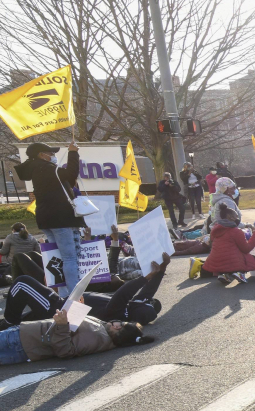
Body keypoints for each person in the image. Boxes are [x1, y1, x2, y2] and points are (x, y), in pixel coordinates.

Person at [3, 253, 169, 328]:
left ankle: (12, 324)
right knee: (30, 258)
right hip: (61, 304)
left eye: (146, 302)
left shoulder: (117, 312)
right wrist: (162, 269)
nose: (145, 298)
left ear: (137, 308)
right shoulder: (132, 310)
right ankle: (10, 323)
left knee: (22, 284)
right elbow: (147, 293)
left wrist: (145, 277)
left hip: (57, 311)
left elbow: (123, 293)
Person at [16, 142, 83, 296]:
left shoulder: (35, 170)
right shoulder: (46, 168)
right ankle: (75, 295)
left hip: (46, 219)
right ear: (41, 154)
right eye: (50, 153)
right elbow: (72, 173)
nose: (53, 156)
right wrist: (73, 153)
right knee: (69, 257)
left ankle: (63, 294)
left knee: (58, 258)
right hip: (61, 219)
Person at [0, 308, 153, 365]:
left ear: (119, 333)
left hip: (20, 341)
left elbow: (65, 350)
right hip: (23, 339)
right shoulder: (102, 331)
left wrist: (61, 325)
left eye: (120, 326)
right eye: (122, 322)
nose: (117, 323)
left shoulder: (98, 336)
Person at [199, 206, 255, 285]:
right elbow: (246, 249)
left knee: (230, 255)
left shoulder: (214, 230)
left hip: (215, 263)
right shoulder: (236, 232)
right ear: (230, 217)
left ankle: (224, 274)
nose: (238, 219)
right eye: (236, 216)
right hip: (231, 262)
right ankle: (240, 272)